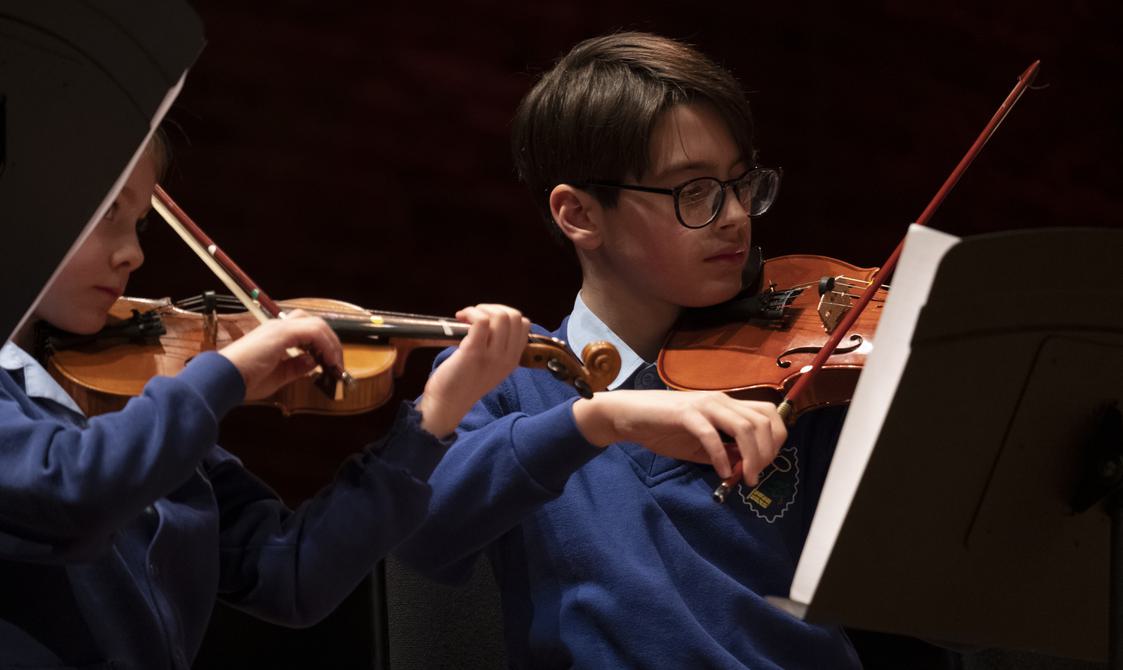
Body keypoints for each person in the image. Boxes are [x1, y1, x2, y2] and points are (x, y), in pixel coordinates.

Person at [392, 32, 861, 668]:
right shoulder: (508, 377)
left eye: (740, 183)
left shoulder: (799, 375)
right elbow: (417, 529)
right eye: (693, 192)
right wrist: (595, 421)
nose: (734, 217)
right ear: (580, 215)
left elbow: (940, 606)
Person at [0, 136, 533, 669]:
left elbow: (290, 574)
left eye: (140, 222)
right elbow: (71, 491)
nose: (134, 253)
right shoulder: (129, 410)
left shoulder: (126, 398)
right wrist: (223, 375)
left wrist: (435, 415)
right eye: (106, 212)